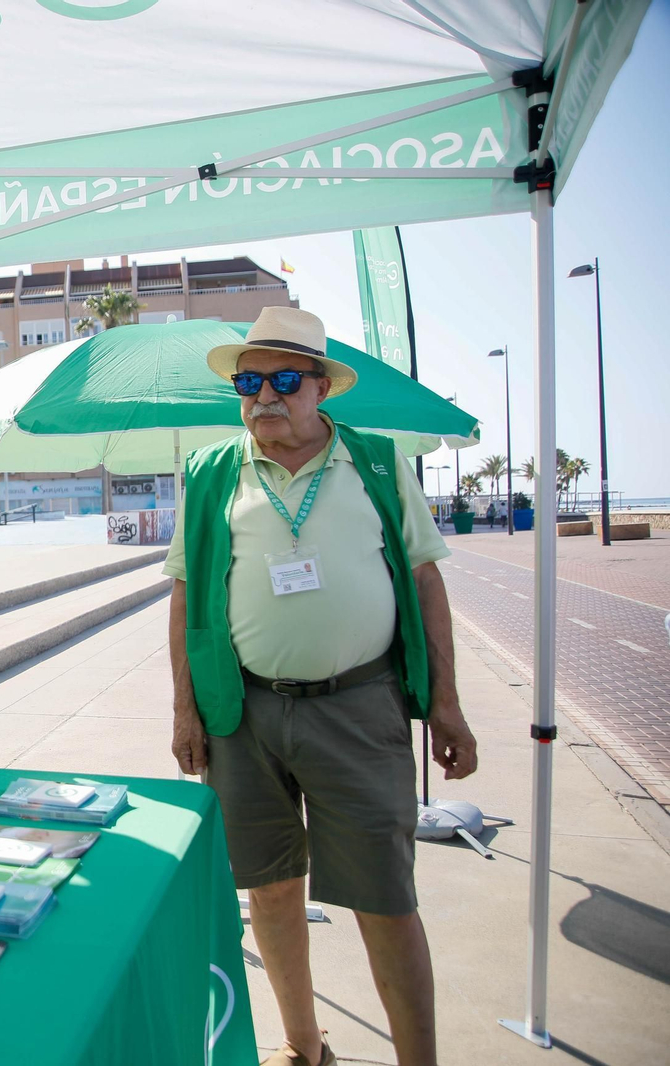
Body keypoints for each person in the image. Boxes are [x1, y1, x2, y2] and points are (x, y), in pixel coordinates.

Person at [164, 307, 478, 1066]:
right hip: (243, 712)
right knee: (269, 889)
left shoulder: (374, 464)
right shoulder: (211, 473)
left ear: (320, 389)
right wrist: (185, 708)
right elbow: (182, 594)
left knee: (384, 899)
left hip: (361, 706)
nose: (264, 396)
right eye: (249, 381)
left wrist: (445, 702)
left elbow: (426, 582)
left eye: (282, 379)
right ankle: (305, 1046)